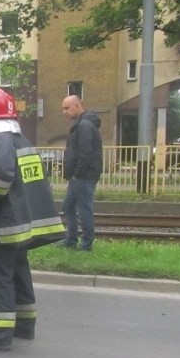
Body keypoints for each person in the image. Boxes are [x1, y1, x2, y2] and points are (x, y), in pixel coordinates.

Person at [0, 88, 64, 351]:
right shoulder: (21, 140)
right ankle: (24, 325)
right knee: (19, 271)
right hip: (22, 222)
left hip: (4, 222)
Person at [59, 95, 103, 251]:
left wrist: (77, 173)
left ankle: (86, 244)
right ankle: (71, 240)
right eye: (63, 108)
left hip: (83, 175)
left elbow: (85, 152)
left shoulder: (84, 125)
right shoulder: (83, 124)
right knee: (68, 206)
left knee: (84, 209)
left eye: (67, 108)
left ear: (77, 106)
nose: (64, 112)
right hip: (79, 175)